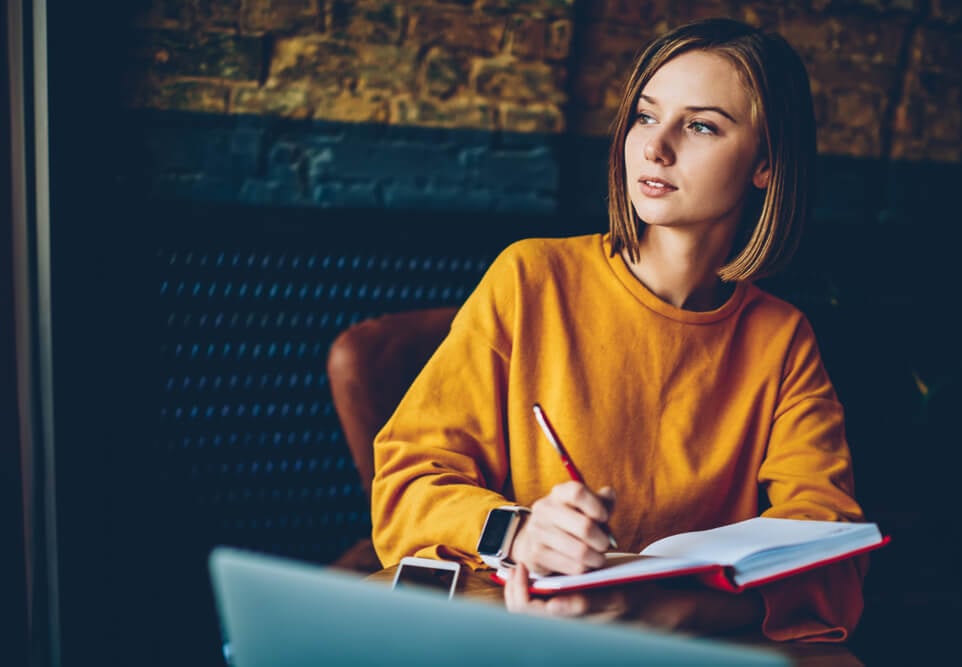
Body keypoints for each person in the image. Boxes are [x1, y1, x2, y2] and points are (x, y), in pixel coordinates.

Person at [371, 17, 866, 642]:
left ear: (765, 163)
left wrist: (669, 612)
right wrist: (517, 530)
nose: (655, 148)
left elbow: (828, 549)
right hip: (515, 635)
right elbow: (407, 479)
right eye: (644, 116)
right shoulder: (531, 276)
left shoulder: (783, 339)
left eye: (701, 125)